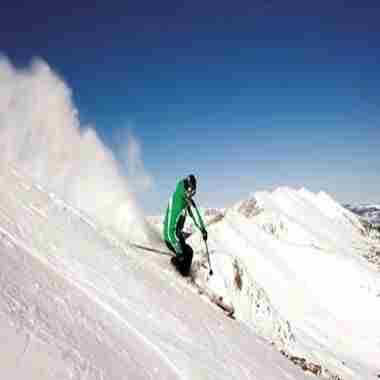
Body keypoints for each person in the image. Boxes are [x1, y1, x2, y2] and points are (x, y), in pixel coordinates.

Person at [163, 174, 208, 276]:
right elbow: (169, 230)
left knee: (189, 252)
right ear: (187, 189)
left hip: (177, 233)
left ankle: (184, 271)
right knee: (185, 255)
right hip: (170, 237)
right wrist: (179, 251)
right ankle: (180, 276)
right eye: (191, 192)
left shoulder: (185, 198)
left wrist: (203, 229)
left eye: (194, 193)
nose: (192, 195)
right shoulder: (177, 204)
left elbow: (194, 214)